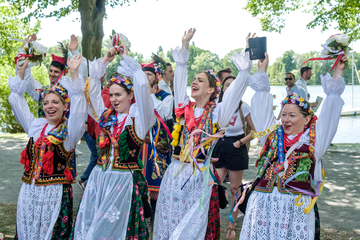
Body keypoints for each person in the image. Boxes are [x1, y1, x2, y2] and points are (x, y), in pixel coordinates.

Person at [153, 29, 252, 240]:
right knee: (171, 217)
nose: (194, 82)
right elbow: (179, 80)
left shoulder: (218, 113)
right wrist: (185, 46)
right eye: (194, 79)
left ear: (210, 90)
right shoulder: (183, 107)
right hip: (175, 170)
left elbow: (235, 93)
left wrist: (246, 64)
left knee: (194, 221)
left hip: (200, 175)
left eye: (200, 80)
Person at [238, 52, 347, 240]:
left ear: (306, 119)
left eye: (292, 115)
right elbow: (261, 108)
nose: (286, 119)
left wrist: (337, 73)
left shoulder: (314, 141)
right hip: (263, 204)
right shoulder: (271, 135)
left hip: (295, 208)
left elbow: (331, 111)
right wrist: (262, 71)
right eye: (284, 115)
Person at [72, 45, 155, 239]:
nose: (114, 99)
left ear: (131, 95)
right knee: (92, 228)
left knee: (113, 229)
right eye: (111, 95)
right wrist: (105, 61)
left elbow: (144, 92)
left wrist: (127, 59)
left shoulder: (139, 120)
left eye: (118, 95)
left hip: (123, 181)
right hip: (99, 179)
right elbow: (92, 93)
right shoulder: (107, 116)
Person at [9, 54, 87, 239]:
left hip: (54, 194)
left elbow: (79, 107)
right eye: (45, 103)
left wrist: (74, 72)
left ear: (64, 106)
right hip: (29, 191)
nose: (49, 106)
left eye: (55, 102)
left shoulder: (69, 132)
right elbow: (16, 100)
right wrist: (20, 73)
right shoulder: (35, 126)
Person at [214, 75, 256, 239]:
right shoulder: (218, 107)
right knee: (213, 186)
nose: (230, 88)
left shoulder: (243, 107)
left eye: (233, 85)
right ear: (222, 88)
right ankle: (211, 219)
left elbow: (255, 131)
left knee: (234, 189)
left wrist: (240, 142)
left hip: (236, 147)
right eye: (227, 85)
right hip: (220, 145)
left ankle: (231, 227)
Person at [140, 59, 174, 226]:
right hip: (139, 145)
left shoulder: (165, 96)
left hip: (157, 146)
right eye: (143, 74)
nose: (146, 77)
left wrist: (150, 94)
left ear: (156, 77)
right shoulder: (135, 96)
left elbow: (166, 113)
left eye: (149, 74)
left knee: (156, 183)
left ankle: (155, 222)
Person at [78, 73, 111, 191]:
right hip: (95, 129)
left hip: (97, 129)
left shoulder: (104, 92)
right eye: (100, 74)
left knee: (96, 155)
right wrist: (85, 123)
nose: (102, 77)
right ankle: (85, 180)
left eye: (103, 74)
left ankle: (88, 180)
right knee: (97, 155)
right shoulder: (96, 92)